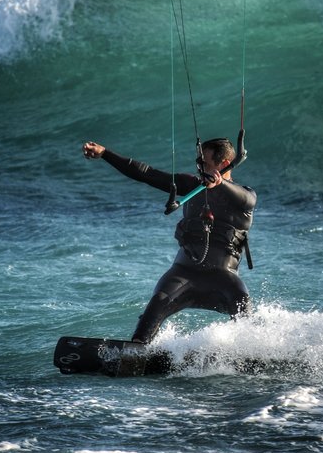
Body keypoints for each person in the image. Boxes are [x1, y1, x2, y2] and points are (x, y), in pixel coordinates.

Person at [82, 138, 256, 344]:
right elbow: (146, 173)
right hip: (183, 272)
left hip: (223, 277)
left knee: (243, 306)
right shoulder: (192, 186)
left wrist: (220, 184)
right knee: (157, 303)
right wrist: (105, 153)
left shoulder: (244, 196)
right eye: (198, 162)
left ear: (225, 163)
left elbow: (247, 199)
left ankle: (254, 353)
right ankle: (136, 351)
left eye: (205, 163)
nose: (199, 167)